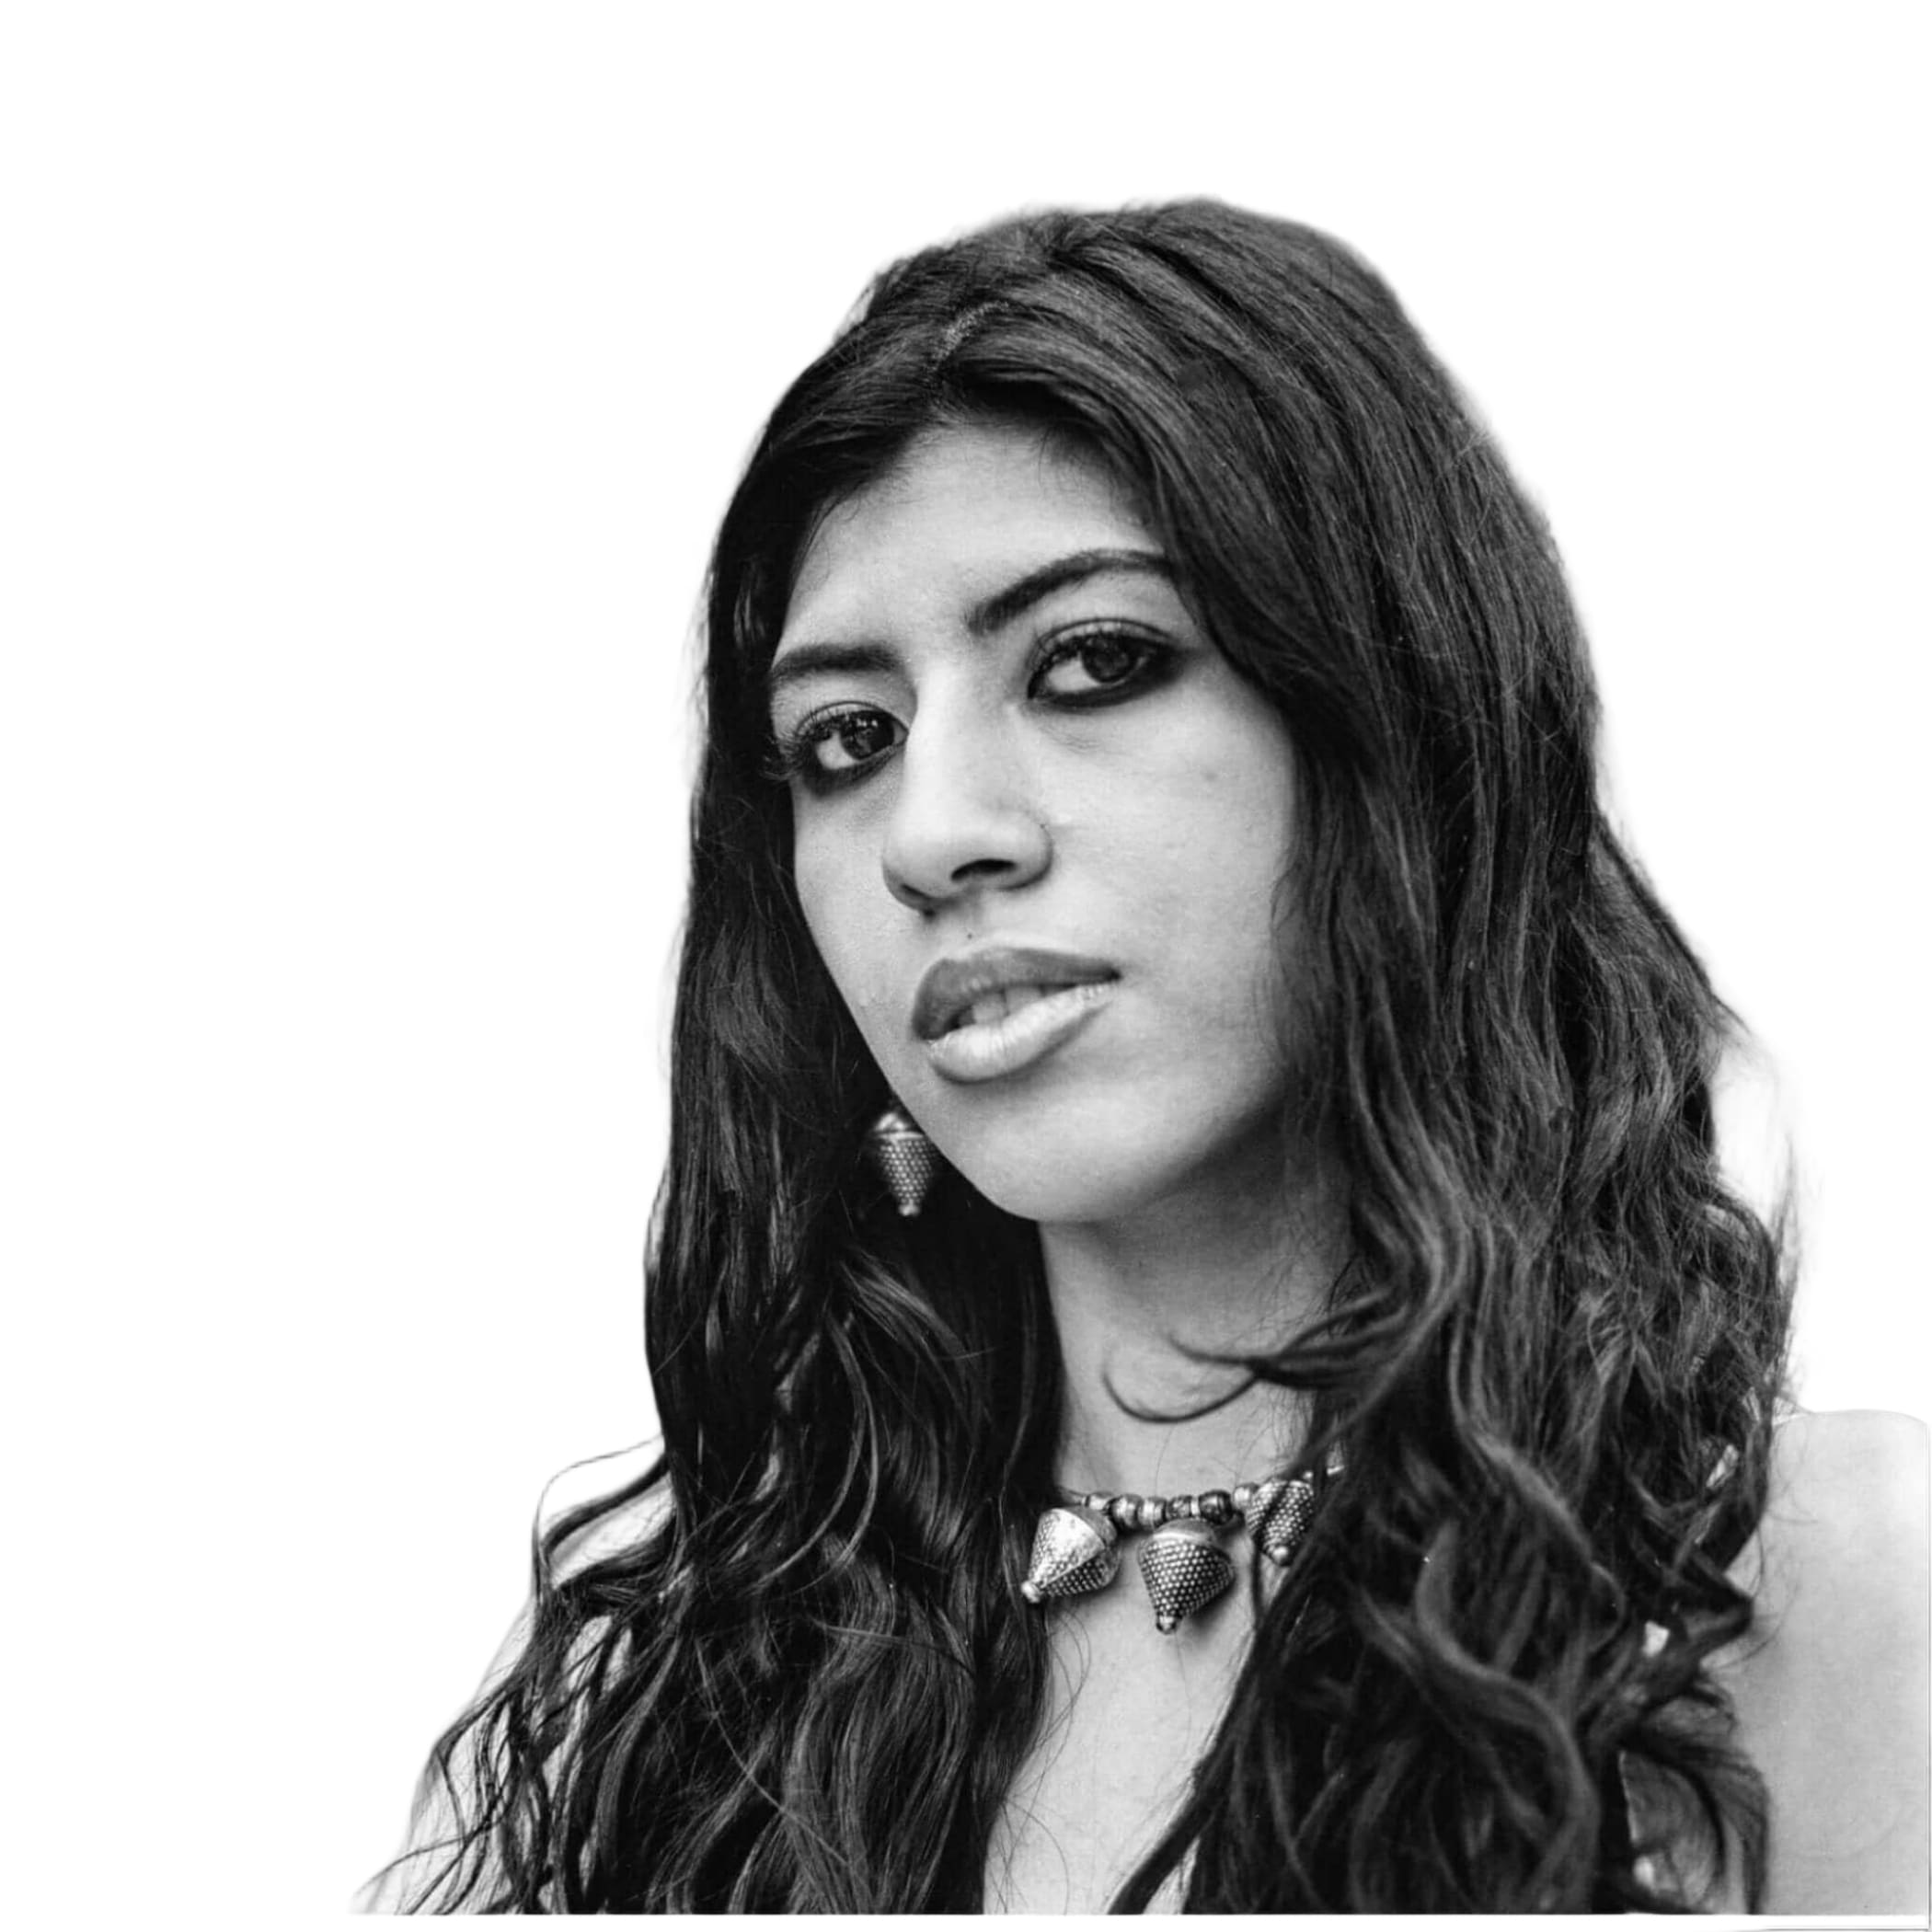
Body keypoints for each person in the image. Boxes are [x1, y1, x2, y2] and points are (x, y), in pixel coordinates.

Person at [367, 201, 1926, 1913]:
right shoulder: (685, 1708)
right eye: (844, 740)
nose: (932, 830)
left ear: (1393, 736)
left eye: (1097, 662)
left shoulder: (1820, 1590)